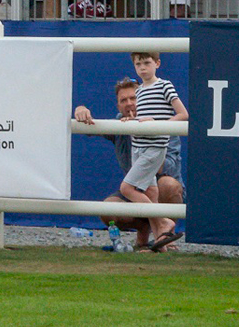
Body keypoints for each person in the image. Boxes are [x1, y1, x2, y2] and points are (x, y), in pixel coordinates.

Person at [72, 77, 185, 250]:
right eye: (123, 100)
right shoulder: (120, 124)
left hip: (158, 188)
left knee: (168, 185)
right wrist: (80, 111)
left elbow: (169, 167)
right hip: (135, 190)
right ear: (118, 107)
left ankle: (163, 236)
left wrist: (149, 137)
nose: (129, 104)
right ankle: (149, 234)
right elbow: (91, 129)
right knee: (108, 209)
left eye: (133, 98)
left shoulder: (164, 121)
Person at [119, 51, 188, 250]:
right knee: (150, 192)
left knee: (127, 188)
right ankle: (161, 242)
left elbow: (182, 114)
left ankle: (163, 221)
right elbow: (142, 117)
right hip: (139, 146)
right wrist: (130, 121)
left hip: (155, 146)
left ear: (157, 63)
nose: (142, 67)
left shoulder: (165, 85)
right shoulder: (139, 91)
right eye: (138, 64)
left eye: (147, 63)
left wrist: (158, 124)